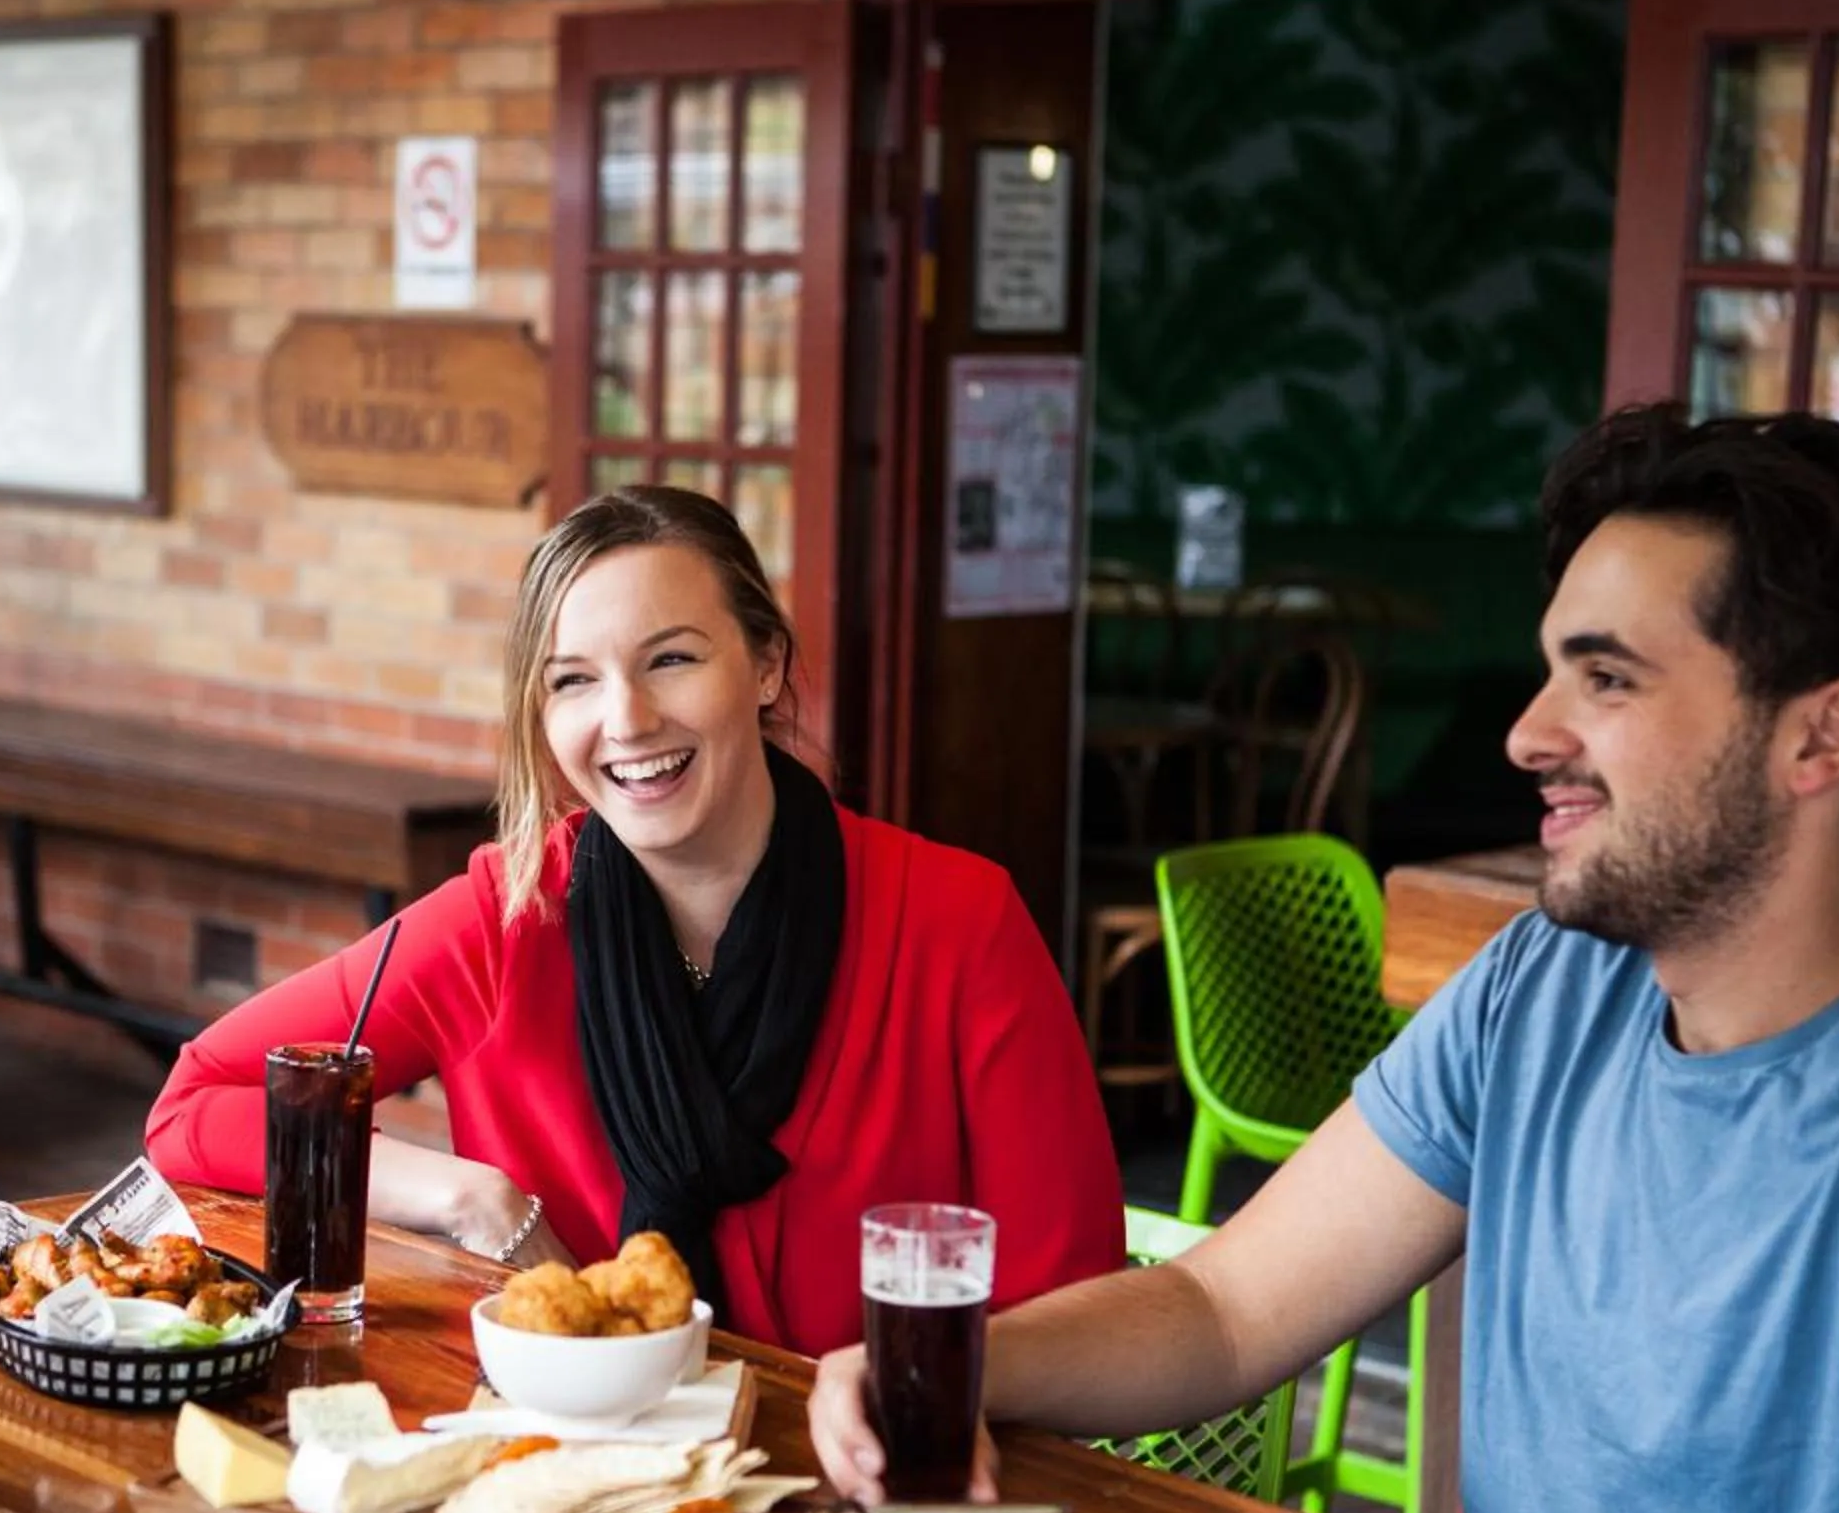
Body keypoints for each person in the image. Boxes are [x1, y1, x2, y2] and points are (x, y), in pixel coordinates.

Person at [810, 405, 1839, 1513]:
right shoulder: (1547, 986)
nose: (1529, 733)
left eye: (1607, 680)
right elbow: (1227, 1309)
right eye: (1550, 674)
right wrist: (952, 1369)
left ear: (1823, 736)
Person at [146, 486, 1122, 1354]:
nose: (628, 718)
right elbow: (194, 1106)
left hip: (877, 1482)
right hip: (583, 1475)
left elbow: (1075, 1291)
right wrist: (466, 1194)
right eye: (575, 679)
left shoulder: (958, 920)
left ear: (767, 664)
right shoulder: (500, 921)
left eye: (672, 659)